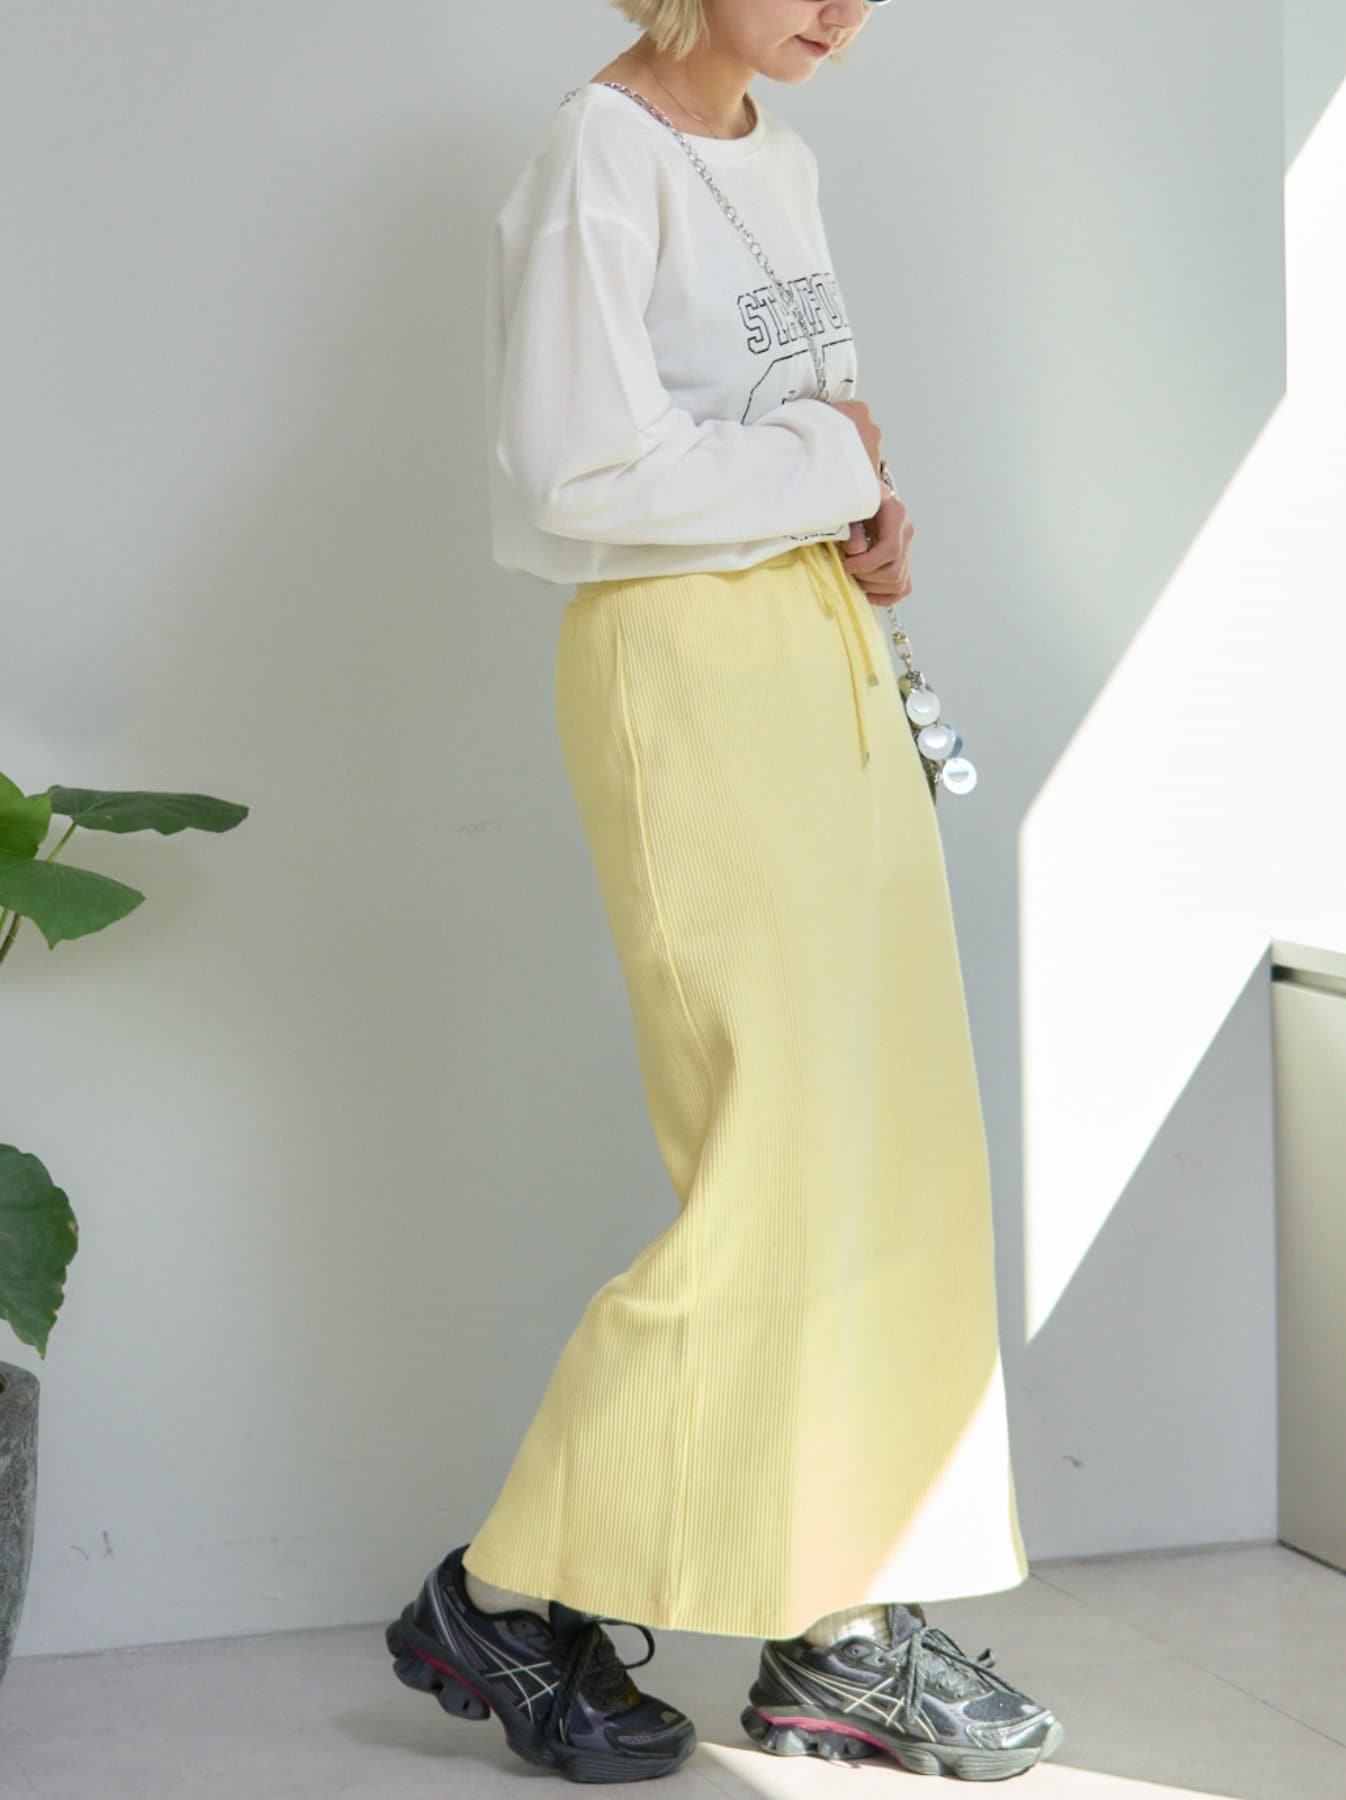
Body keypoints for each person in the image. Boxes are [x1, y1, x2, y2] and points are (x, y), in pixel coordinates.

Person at [386, 0, 1063, 1782]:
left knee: (893, 1139)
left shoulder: (782, 153)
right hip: (684, 672)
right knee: (778, 1153)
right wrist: (830, 461)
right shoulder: (598, 158)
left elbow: (777, 431)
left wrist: (865, 513)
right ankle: (502, 1592)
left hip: (815, 642)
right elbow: (574, 469)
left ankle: (840, 1625)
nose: (843, 9)